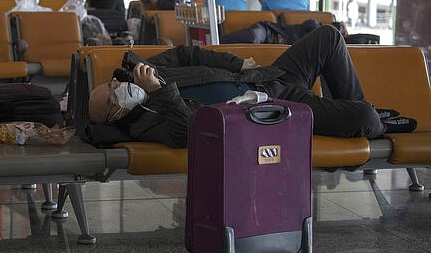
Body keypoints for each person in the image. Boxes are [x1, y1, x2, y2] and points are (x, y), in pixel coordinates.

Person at [87, 25, 416, 148]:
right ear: (116, 114)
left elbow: (187, 52)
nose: (118, 84)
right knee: (365, 119)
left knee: (328, 36)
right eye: (113, 94)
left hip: (268, 77)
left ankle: (363, 111)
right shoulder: (147, 123)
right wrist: (160, 90)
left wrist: (235, 64)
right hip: (276, 109)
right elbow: (189, 133)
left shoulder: (149, 67)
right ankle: (372, 119)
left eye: (112, 82)